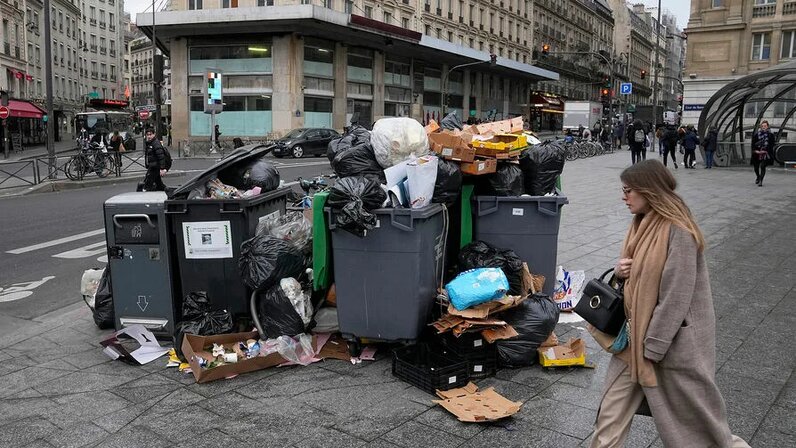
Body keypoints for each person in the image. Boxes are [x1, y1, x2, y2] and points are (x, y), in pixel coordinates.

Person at [589, 159, 750, 448]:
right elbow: (638, 280)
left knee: (704, 429)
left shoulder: (679, 231)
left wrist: (653, 347)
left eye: (628, 191)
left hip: (666, 349)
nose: (623, 197)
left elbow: (677, 296)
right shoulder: (640, 224)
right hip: (632, 343)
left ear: (649, 190)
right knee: (609, 418)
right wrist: (619, 272)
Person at [750, 120, 775, 186]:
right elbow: (753, 144)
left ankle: (761, 181)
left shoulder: (771, 135)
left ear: (767, 126)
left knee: (763, 166)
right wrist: (756, 151)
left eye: (765, 126)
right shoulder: (756, 135)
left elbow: (772, 145)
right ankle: (758, 176)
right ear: (761, 127)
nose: (764, 127)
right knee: (756, 168)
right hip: (757, 153)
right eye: (762, 126)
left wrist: (765, 151)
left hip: (766, 153)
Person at [143, 127, 167, 192]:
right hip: (153, 166)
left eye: (150, 134)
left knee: (148, 184)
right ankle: (169, 193)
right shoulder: (150, 143)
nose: (149, 136)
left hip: (155, 167)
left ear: (154, 134)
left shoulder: (156, 143)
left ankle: (144, 195)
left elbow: (161, 156)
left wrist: (162, 168)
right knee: (159, 184)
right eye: (147, 135)